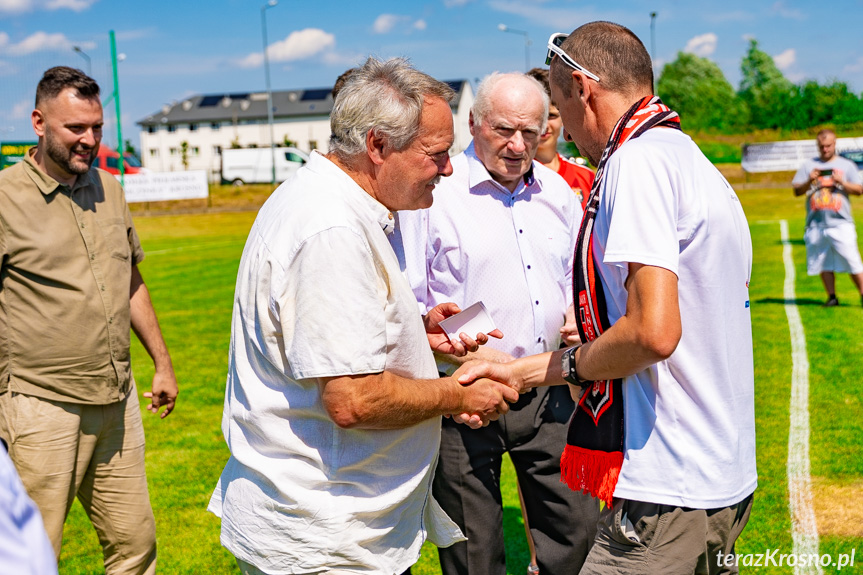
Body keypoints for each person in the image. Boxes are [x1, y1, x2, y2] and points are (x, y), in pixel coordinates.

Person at [458, 22, 757, 575]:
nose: (558, 127)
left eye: (556, 104)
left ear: (582, 88)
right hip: (719, 471)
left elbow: (652, 332)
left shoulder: (636, 162)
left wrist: (558, 366)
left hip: (667, 480)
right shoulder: (689, 157)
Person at [207, 57, 518, 575]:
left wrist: (414, 335)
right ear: (377, 146)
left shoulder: (330, 204)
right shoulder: (333, 228)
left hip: (331, 526)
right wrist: (459, 395)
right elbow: (352, 397)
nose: (447, 170)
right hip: (325, 535)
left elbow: (319, 342)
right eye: (436, 155)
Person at [399, 72, 597, 575]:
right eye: (504, 130)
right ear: (473, 123)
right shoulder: (433, 196)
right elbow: (410, 305)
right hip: (461, 399)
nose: (517, 144)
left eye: (530, 132)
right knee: (473, 553)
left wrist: (576, 315)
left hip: (547, 387)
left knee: (577, 534)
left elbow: (577, 277)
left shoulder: (557, 192)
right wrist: (466, 350)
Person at [0, 66, 178, 574]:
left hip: (116, 402)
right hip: (39, 406)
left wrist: (161, 364)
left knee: (136, 546)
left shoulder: (110, 188)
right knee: (30, 558)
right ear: (38, 122)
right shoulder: (5, 198)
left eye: (96, 127)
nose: (89, 140)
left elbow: (130, 282)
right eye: (75, 128)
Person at [792, 129, 863, 306]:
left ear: (835, 144)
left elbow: (859, 190)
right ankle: (832, 297)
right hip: (816, 223)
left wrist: (842, 182)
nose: (825, 149)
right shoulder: (809, 165)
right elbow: (796, 191)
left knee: (852, 260)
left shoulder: (846, 165)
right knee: (822, 262)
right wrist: (810, 181)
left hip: (840, 222)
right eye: (821, 146)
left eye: (828, 146)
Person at [526, 67, 595, 208]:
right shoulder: (511, 178)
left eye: (551, 116)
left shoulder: (585, 177)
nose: (544, 126)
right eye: (537, 117)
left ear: (564, 115)